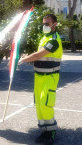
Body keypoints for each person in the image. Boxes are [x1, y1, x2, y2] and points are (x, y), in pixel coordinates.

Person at [19, 14, 62, 145]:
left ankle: (51, 131)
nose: (44, 26)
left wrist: (22, 60)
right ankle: (44, 130)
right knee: (38, 104)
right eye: (43, 24)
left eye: (47, 24)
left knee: (46, 103)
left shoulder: (54, 40)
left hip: (50, 77)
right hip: (38, 76)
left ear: (54, 24)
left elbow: (38, 55)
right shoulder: (44, 38)